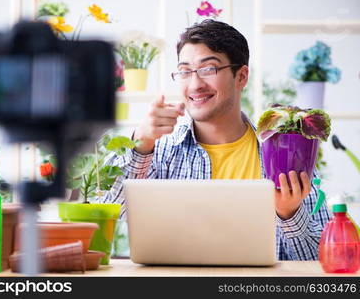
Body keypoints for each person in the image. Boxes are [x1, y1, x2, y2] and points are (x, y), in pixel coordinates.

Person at [100, 19, 331, 260]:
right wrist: (141, 142)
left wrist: (289, 213)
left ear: (241, 76)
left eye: (209, 69)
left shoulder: (286, 157)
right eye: (185, 71)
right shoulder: (158, 150)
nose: (195, 84)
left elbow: (322, 261)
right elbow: (109, 211)